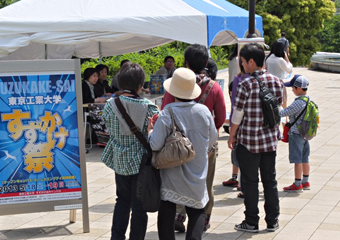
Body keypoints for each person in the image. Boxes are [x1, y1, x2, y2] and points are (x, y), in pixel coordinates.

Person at [161, 45, 226, 232]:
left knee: (177, 179)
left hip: (177, 145)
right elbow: (221, 118)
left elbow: (165, 109)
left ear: (186, 63)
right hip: (205, 144)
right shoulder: (214, 87)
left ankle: (179, 214)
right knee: (206, 181)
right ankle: (203, 218)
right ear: (206, 63)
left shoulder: (175, 86)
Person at [148, 67, 218, 240]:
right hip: (197, 170)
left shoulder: (167, 113)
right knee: (197, 211)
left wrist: (150, 131)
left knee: (167, 211)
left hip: (172, 173)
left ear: (173, 91)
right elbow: (213, 138)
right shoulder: (204, 111)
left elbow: (155, 144)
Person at [228, 43, 282, 233]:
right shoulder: (276, 81)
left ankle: (251, 222)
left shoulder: (245, 84)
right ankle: (273, 221)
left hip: (249, 143)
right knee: (270, 181)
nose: (241, 65)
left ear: (251, 61)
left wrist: (231, 135)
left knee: (250, 183)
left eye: (242, 61)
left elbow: (237, 114)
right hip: (270, 141)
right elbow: (278, 108)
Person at [100, 63, 159, 240]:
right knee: (139, 206)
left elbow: (107, 127)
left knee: (122, 201)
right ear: (141, 85)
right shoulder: (150, 108)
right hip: (141, 163)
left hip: (119, 160)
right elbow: (154, 138)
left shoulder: (111, 105)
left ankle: (116, 237)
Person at [222, 61, 250, 199]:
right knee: (237, 155)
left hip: (241, 130)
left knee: (239, 156)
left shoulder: (241, 85)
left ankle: (240, 181)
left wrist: (232, 134)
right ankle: (236, 178)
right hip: (249, 130)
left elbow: (237, 114)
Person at [280, 75, 311, 192]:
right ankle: (306, 181)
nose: (291, 90)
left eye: (292, 88)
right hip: (305, 133)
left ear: (298, 88)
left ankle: (297, 184)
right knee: (305, 158)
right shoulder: (309, 99)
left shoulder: (298, 102)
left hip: (296, 133)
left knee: (297, 159)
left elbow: (284, 113)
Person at [266, 40, 293, 110]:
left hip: (268, 84)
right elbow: (289, 70)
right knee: (283, 103)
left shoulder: (268, 59)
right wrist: (287, 59)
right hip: (279, 83)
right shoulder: (280, 60)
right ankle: (283, 119)